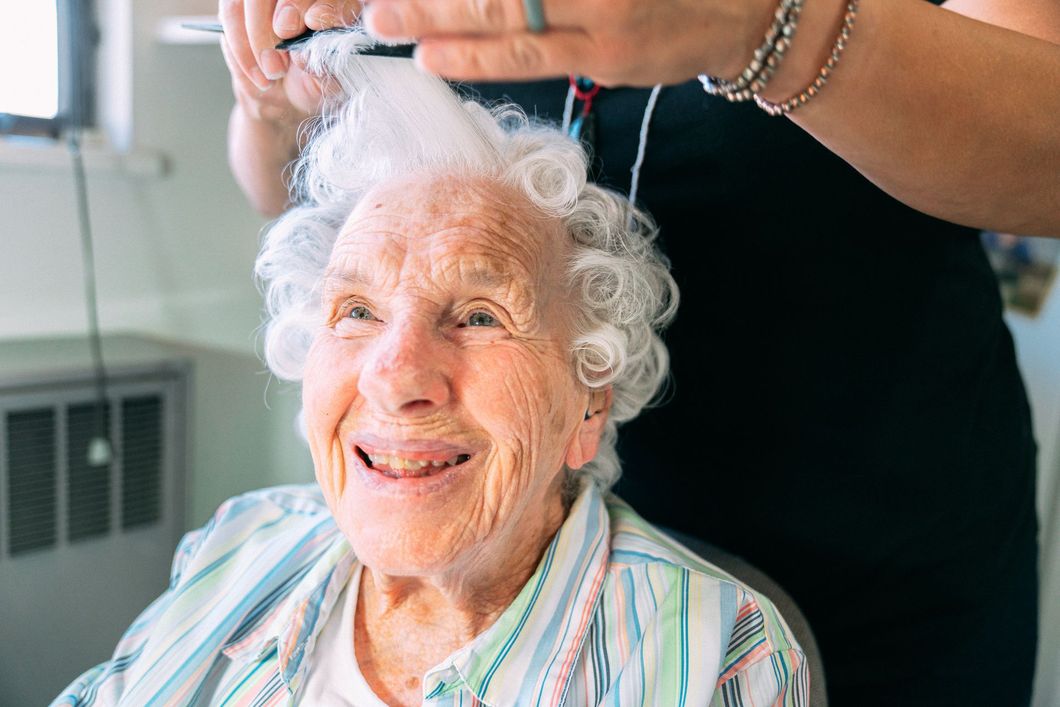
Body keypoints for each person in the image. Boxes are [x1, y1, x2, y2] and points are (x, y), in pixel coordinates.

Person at [218, 2, 1057, 705]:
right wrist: (274, 96)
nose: (391, 374)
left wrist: (763, 27)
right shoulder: (241, 559)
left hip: (869, 520)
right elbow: (279, 186)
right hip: (516, 529)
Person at [52, 36, 807, 706]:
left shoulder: (716, 657)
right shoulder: (241, 541)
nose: (395, 376)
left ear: (589, 405)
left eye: (479, 316)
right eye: (357, 310)